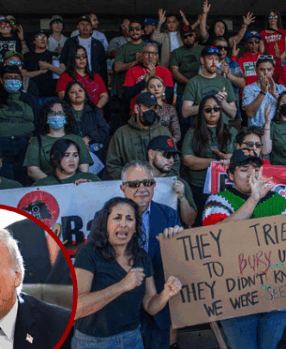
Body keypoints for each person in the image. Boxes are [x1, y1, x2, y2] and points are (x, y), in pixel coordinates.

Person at [202, 149, 286, 348]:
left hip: (276, 295)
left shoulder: (277, 201)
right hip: (236, 298)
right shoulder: (217, 201)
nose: (252, 175)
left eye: (256, 169)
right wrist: (253, 199)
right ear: (230, 176)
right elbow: (214, 238)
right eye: (244, 170)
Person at [73, 197, 182, 349]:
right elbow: (76, 308)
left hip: (132, 339)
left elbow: (150, 306)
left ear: (136, 225)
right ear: (105, 223)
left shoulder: (141, 257)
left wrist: (166, 294)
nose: (123, 224)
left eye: (129, 219)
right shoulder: (88, 253)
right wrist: (122, 286)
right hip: (92, 342)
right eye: (117, 218)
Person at [115, 161, 184, 349]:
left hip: (158, 309)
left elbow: (181, 263)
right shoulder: (107, 218)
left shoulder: (169, 215)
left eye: (147, 183)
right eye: (134, 184)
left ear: (154, 185)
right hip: (121, 310)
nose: (142, 189)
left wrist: (178, 242)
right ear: (123, 188)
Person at [182, 95, 238, 224]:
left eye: (216, 109)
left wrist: (229, 158)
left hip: (227, 188)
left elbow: (238, 157)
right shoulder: (192, 132)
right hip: (199, 187)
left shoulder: (232, 131)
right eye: (208, 110)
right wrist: (215, 163)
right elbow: (187, 160)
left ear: (221, 111)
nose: (212, 112)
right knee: (201, 226)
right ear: (202, 112)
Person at [106, 92, 175, 180]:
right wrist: (132, 179)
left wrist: (164, 179)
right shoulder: (121, 134)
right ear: (137, 109)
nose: (151, 111)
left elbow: (175, 163)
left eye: (154, 108)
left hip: (160, 185)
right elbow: (112, 166)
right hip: (131, 187)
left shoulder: (164, 132)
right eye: (147, 107)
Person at [24, 99, 93, 182]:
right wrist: (54, 185)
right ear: (46, 117)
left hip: (75, 186)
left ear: (67, 117)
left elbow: (84, 168)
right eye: (52, 113)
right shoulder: (36, 141)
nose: (56, 116)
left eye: (60, 113)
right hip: (48, 188)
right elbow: (32, 170)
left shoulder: (77, 139)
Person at [147, 136, 197, 227]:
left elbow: (190, 221)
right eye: (166, 155)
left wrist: (182, 198)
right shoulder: (138, 181)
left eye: (173, 156)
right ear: (151, 154)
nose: (171, 160)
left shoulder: (180, 183)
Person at [181, 45, 237, 124]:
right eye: (210, 59)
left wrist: (222, 102)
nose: (214, 62)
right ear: (202, 60)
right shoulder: (193, 82)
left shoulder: (225, 82)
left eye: (216, 59)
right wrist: (209, 103)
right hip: (200, 131)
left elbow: (233, 113)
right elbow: (185, 112)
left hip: (222, 131)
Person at [62, 81, 111, 164]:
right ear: (68, 96)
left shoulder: (94, 110)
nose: (77, 93)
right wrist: (79, 143)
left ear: (85, 93)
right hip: (69, 153)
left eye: (80, 90)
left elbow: (104, 130)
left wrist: (88, 138)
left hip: (94, 152)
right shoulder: (63, 112)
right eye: (73, 92)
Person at [124, 43, 175, 111]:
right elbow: (127, 94)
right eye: (147, 53)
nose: (150, 56)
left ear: (157, 56)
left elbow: (168, 95)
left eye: (153, 53)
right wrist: (145, 80)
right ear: (141, 55)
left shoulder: (165, 72)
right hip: (137, 112)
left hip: (159, 111)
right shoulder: (132, 71)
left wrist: (152, 80)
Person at [56, 45, 109, 109]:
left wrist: (95, 110)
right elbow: (63, 96)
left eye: (84, 56)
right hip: (75, 114)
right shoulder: (65, 76)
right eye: (77, 57)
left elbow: (104, 96)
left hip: (95, 114)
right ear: (72, 59)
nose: (81, 59)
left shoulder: (96, 76)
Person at [59, 15, 108, 84]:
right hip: (74, 79)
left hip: (93, 79)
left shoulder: (97, 44)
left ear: (91, 27)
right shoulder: (70, 42)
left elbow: (103, 66)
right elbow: (63, 60)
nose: (85, 27)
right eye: (82, 24)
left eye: (87, 24)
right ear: (77, 27)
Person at [31, 138, 99, 186]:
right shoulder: (42, 185)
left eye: (75, 155)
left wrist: (91, 188)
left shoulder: (91, 179)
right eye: (66, 155)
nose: (72, 160)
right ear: (54, 158)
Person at [243, 54, 286, 127]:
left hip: (277, 130)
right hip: (256, 131)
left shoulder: (281, 88)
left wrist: (275, 95)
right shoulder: (248, 89)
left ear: (273, 71)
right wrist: (263, 92)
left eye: (269, 69)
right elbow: (249, 113)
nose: (266, 73)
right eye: (262, 70)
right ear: (256, 70)